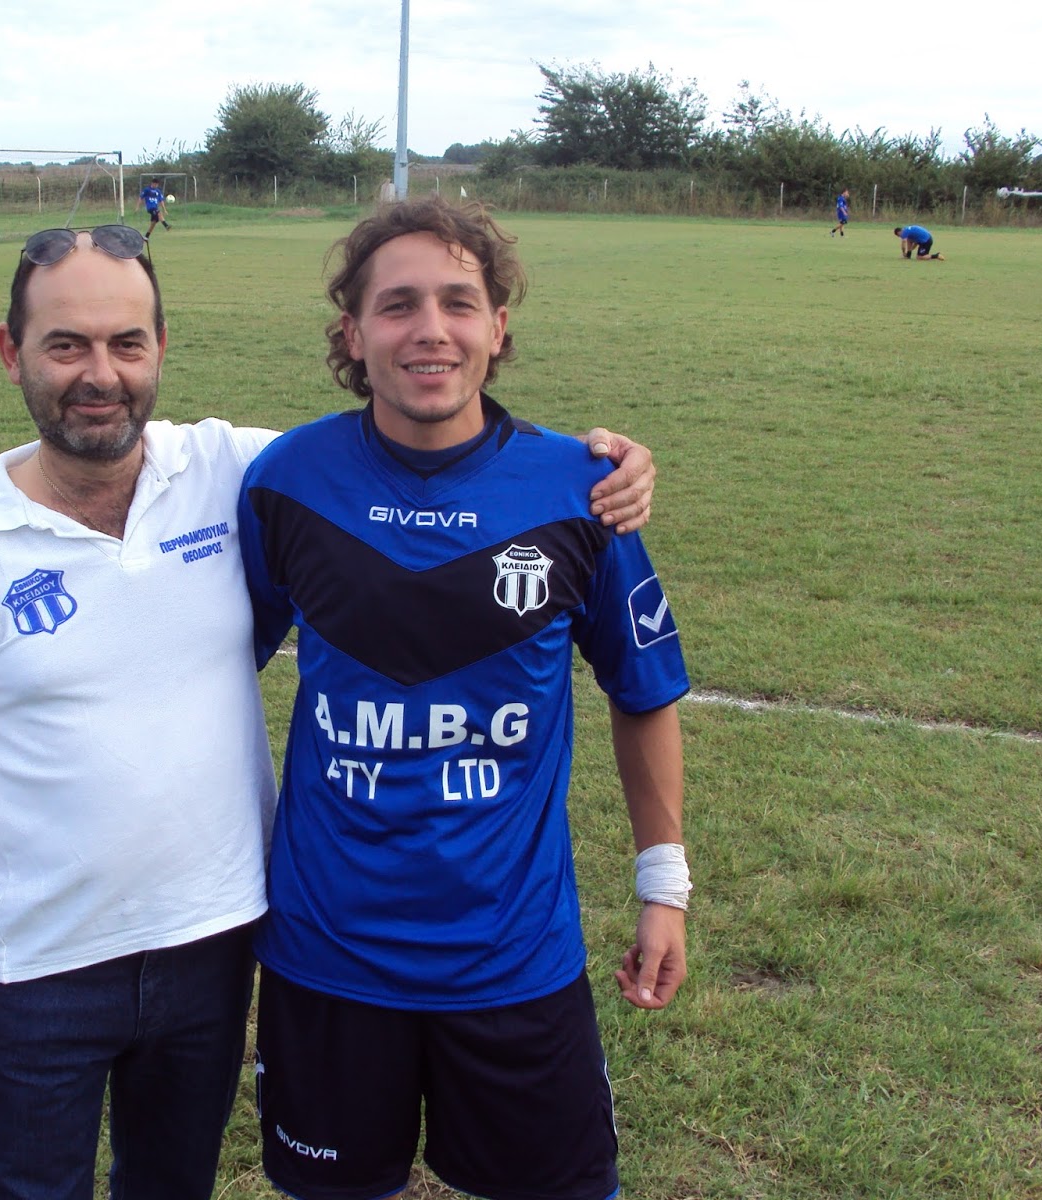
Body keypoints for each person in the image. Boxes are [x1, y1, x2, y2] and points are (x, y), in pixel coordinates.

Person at [0, 222, 658, 1200]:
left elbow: (402, 444)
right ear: (12, 352)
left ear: (161, 349)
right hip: (38, 968)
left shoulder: (234, 471)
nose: (99, 374)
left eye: (126, 343)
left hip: (213, 945)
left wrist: (606, 464)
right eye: (65, 345)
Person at [237, 196, 691, 1200]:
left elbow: (643, 689)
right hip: (326, 956)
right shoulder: (286, 481)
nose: (430, 330)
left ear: (498, 327)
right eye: (397, 305)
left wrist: (664, 887)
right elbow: (211, 662)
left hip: (514, 957)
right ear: (352, 334)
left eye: (458, 302)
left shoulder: (583, 491)